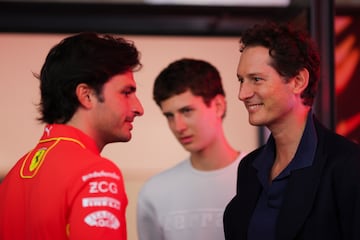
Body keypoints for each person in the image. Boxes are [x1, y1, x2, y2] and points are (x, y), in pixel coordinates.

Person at [223, 22, 360, 240]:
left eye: (256, 79)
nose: (243, 93)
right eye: (241, 80)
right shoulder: (250, 168)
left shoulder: (348, 165)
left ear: (298, 81)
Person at [0, 32, 144, 240]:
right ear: (86, 95)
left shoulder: (12, 178)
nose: (138, 108)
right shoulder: (97, 174)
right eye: (126, 92)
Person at [136, 58, 246, 240]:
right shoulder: (155, 192)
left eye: (187, 111)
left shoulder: (262, 178)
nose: (178, 126)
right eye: (169, 116)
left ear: (218, 106)